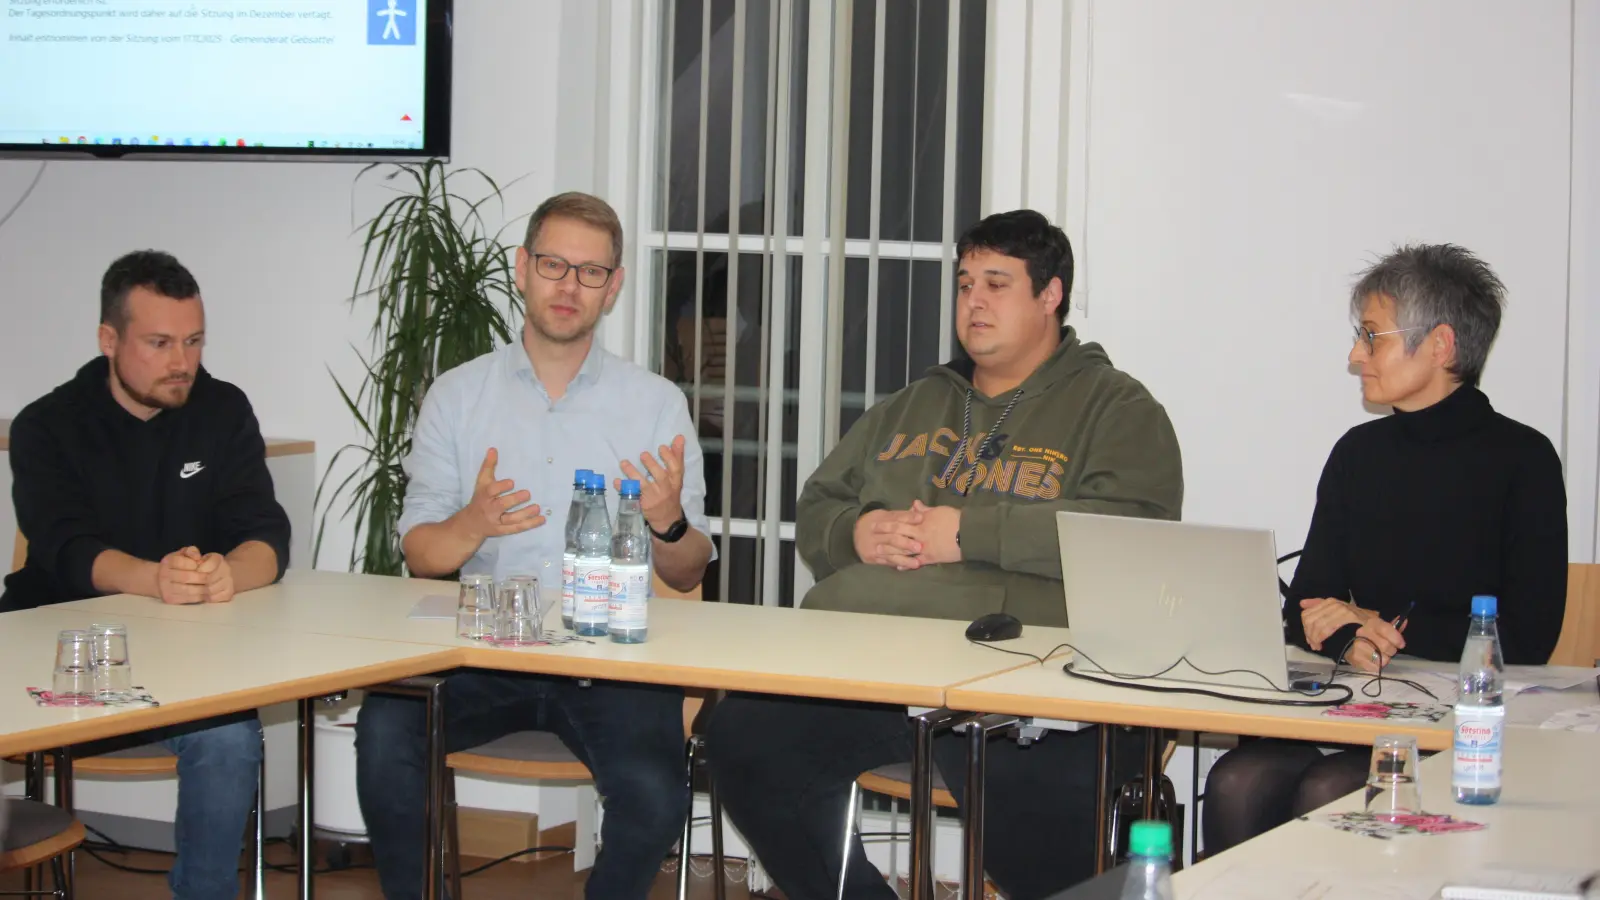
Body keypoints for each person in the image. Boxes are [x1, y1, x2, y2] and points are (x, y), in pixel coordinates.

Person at [706, 209, 1185, 900]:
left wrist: (967, 535)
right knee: (744, 736)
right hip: (869, 671)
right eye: (964, 284)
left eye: (997, 283)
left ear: (1050, 295)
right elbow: (819, 504)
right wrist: (855, 532)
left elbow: (1132, 534)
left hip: (1019, 692)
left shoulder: (1114, 407)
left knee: (1042, 814)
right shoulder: (914, 403)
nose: (974, 302)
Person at [355, 191, 715, 899]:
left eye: (589, 272)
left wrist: (668, 521)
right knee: (385, 731)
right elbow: (423, 555)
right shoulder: (457, 397)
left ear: (612, 288)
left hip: (610, 658)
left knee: (654, 796)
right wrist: (473, 524)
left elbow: (690, 564)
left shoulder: (655, 404)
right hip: (485, 649)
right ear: (522, 268)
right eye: (553, 264)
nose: (568, 286)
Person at [1201, 243, 1567, 855]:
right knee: (1237, 779)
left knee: (1330, 787)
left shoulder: (1523, 460)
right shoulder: (1358, 453)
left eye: (1372, 337)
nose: (1355, 355)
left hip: (1460, 726)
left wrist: (1378, 628)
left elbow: (1527, 636)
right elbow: (1305, 609)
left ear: (1441, 346)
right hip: (1359, 703)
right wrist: (1349, 634)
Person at [2, 250, 290, 900]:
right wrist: (152, 579)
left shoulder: (222, 410)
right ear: (110, 340)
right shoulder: (47, 425)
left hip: (188, 661)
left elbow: (268, 537)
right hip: (56, 654)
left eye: (192, 341)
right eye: (159, 343)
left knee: (229, 739)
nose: (181, 362)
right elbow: (64, 548)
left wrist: (229, 574)